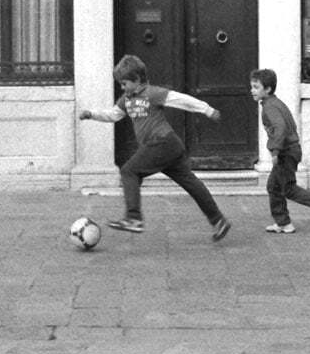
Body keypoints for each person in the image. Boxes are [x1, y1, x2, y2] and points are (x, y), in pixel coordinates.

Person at [79, 54, 231, 242]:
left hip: (163, 143)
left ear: (136, 80)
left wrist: (207, 109)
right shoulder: (126, 99)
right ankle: (218, 220)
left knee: (129, 171)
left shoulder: (152, 93)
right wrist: (92, 114)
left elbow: (181, 99)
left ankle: (133, 218)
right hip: (167, 147)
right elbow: (113, 115)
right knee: (190, 183)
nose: (122, 87)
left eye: (124, 83)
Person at [250, 69, 310, 233]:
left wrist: (275, 151)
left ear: (267, 89)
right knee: (274, 186)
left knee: (287, 189)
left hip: (286, 152)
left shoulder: (270, 107)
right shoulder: (275, 103)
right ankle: (283, 222)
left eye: (256, 87)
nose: (252, 90)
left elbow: (281, 127)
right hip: (291, 150)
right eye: (252, 87)